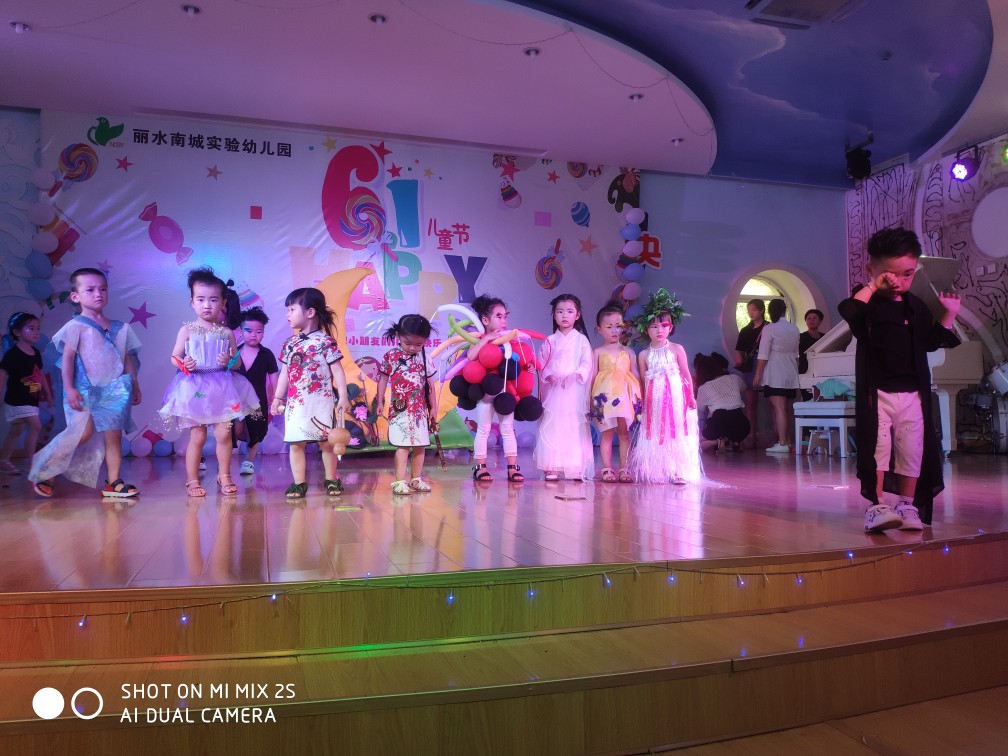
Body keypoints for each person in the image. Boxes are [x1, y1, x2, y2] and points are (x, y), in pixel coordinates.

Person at [838, 227, 960, 532]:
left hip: (912, 393)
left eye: (907, 274)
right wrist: (873, 285)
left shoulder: (915, 306)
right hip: (877, 392)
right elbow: (850, 311)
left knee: (912, 449)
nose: (899, 281)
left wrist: (948, 314)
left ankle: (907, 504)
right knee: (877, 448)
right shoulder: (867, 303)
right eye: (890, 274)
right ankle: (876, 506)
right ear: (872, 270)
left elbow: (929, 342)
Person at [29, 268, 141, 498]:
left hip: (115, 390)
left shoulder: (120, 328)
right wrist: (69, 388)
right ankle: (46, 468)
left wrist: (135, 385)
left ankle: (113, 483)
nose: (98, 294)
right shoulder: (76, 326)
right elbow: (68, 359)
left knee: (114, 436)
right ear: (75, 296)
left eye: (102, 289)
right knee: (82, 432)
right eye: (90, 290)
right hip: (84, 389)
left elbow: (126, 358)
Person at [160, 267, 261, 497]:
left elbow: (237, 362)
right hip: (196, 387)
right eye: (201, 299)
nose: (207, 305)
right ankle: (192, 479)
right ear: (192, 302)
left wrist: (229, 361)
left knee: (225, 434)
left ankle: (224, 475)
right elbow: (174, 356)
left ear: (223, 303)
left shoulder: (226, 333)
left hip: (221, 387)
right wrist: (184, 363)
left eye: (213, 300)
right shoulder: (187, 330)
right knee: (198, 435)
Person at [270, 287, 349, 498]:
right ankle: (299, 484)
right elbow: (284, 373)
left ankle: (331, 479)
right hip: (296, 403)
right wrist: (277, 398)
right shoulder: (290, 344)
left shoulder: (326, 342)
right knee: (296, 443)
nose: (287, 315)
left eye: (292, 309)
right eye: (287, 310)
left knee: (327, 443)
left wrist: (343, 396)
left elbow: (338, 371)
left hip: (322, 402)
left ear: (310, 312)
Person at [627, 289, 700, 485]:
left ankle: (679, 471)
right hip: (654, 401)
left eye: (664, 325)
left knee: (675, 431)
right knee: (656, 431)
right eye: (653, 326)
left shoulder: (677, 349)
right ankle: (656, 470)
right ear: (645, 330)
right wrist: (642, 404)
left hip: (675, 399)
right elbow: (643, 381)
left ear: (670, 327)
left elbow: (686, 374)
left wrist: (691, 396)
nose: (659, 330)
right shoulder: (644, 355)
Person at [534, 294, 594, 481]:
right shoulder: (550, 340)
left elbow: (586, 363)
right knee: (553, 424)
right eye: (560, 312)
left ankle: (575, 465)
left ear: (578, 315)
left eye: (569, 311)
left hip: (574, 389)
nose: (564, 315)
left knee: (573, 425)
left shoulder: (581, 340)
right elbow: (541, 363)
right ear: (554, 315)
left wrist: (575, 375)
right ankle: (551, 466)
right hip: (554, 389)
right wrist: (549, 375)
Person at [468, 294, 525, 483]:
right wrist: (486, 340)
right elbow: (471, 356)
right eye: (498, 316)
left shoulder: (508, 339)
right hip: (486, 392)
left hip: (505, 393)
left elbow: (517, 362)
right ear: (485, 320)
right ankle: (480, 468)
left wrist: (528, 367)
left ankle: (512, 468)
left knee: (508, 429)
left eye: (505, 316)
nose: (503, 321)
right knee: (483, 430)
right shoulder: (479, 338)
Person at [376, 314, 436, 495]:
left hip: (419, 411)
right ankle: (399, 481)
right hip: (400, 409)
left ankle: (416, 479)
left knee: (420, 445)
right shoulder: (391, 356)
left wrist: (433, 407)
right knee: (402, 445)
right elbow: (382, 379)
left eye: (418, 344)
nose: (412, 348)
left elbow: (430, 384)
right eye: (407, 343)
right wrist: (380, 401)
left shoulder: (425, 357)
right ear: (398, 336)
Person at [590, 302, 641, 482]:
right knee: (607, 433)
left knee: (624, 433)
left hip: (624, 397)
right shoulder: (597, 351)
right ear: (599, 329)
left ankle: (624, 468)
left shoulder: (628, 351)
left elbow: (635, 375)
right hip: (604, 398)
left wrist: (639, 398)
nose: (614, 330)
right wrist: (590, 400)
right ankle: (607, 468)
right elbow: (593, 376)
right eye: (609, 326)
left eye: (618, 326)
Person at [0, 312, 53, 474]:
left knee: (16, 430)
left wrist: (48, 394)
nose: (36, 332)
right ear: (17, 332)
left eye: (38, 328)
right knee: (36, 426)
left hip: (31, 399)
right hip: (17, 399)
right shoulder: (12, 354)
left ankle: (3, 460)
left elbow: (40, 374)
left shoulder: (36, 354)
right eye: (31, 328)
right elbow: (2, 375)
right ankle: (30, 462)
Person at [231, 307, 279, 476]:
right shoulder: (234, 353)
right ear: (240, 331)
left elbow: (274, 378)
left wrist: (276, 398)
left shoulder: (267, 355)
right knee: (234, 430)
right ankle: (224, 464)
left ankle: (248, 462)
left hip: (258, 402)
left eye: (258, 331)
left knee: (255, 431)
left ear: (263, 332)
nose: (254, 335)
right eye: (249, 331)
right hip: (235, 402)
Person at [753, 298, 800, 454]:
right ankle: (789, 441)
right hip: (790, 372)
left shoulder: (769, 329)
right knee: (788, 410)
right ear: (784, 310)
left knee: (779, 409)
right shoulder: (794, 328)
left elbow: (763, 354)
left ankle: (783, 442)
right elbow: (796, 354)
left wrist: (757, 374)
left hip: (775, 373)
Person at [694, 352, 749, 453]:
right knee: (729, 416)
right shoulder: (734, 378)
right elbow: (744, 388)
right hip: (742, 425)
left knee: (696, 442)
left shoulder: (703, 388)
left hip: (719, 424)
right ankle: (735, 441)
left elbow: (699, 410)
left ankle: (718, 441)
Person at [734, 298, 766, 448]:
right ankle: (751, 436)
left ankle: (778, 437)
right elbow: (739, 352)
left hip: (765, 365)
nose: (750, 313)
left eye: (753, 310)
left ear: (761, 310)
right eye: (749, 310)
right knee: (751, 404)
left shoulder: (768, 328)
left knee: (773, 403)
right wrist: (739, 359)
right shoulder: (745, 330)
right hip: (749, 367)